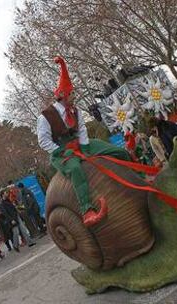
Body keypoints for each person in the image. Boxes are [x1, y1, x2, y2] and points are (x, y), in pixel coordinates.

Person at [37, 56, 132, 227]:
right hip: (61, 151)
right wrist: (62, 150)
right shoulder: (45, 116)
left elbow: (81, 130)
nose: (75, 96)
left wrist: (86, 147)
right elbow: (43, 141)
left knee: (118, 151)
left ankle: (136, 177)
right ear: (64, 95)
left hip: (78, 143)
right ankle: (86, 210)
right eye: (72, 93)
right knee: (75, 168)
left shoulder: (75, 110)